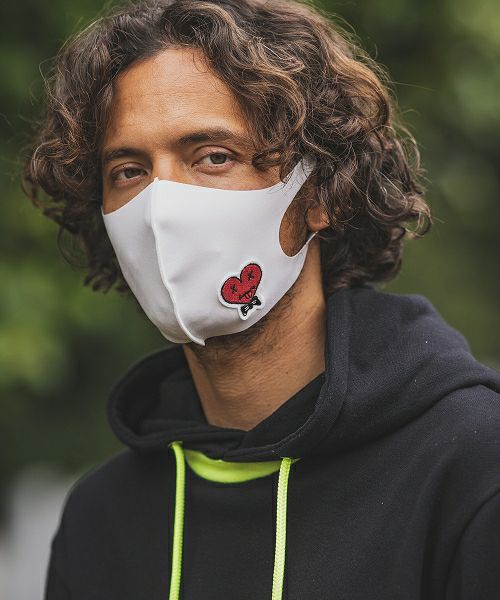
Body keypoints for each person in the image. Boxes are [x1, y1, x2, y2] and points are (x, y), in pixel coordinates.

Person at [23, 0, 500, 598]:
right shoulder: (100, 521)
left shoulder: (473, 469)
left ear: (320, 192)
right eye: (128, 170)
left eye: (213, 157)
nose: (159, 208)